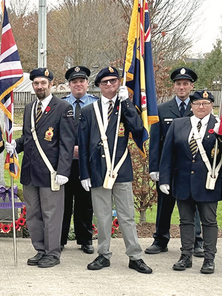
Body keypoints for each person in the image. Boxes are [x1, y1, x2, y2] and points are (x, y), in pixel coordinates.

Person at [78, 67, 151, 274]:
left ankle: (135, 256)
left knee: (127, 215)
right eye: (104, 82)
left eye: (113, 81)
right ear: (99, 86)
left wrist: (126, 102)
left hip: (121, 169)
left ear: (119, 83)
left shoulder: (124, 107)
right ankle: (103, 254)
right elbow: (83, 145)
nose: (109, 85)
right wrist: (84, 173)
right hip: (98, 170)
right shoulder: (88, 111)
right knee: (102, 216)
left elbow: (138, 129)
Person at [158, 90, 222, 274]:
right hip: (182, 181)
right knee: (185, 221)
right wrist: (164, 178)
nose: (201, 107)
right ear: (191, 106)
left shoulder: (219, 125)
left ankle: (209, 258)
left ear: (211, 106)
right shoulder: (178, 124)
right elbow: (167, 153)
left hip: (208, 181)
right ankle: (186, 256)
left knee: (209, 221)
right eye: (197, 104)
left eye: (205, 103)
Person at [12, 69, 75, 268]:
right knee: (33, 215)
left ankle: (53, 253)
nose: (40, 86)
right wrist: (16, 144)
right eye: (36, 83)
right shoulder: (30, 107)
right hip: (30, 172)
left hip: (51, 173)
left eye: (43, 83)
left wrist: (64, 172)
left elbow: (66, 143)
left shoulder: (63, 108)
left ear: (51, 84)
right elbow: (30, 138)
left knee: (51, 215)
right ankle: (40, 250)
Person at [147, 67, 205, 256]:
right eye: (178, 84)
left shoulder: (199, 109)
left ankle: (196, 241)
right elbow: (155, 141)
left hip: (192, 167)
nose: (182, 87)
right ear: (174, 87)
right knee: (165, 205)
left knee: (193, 204)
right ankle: (161, 240)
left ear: (191, 86)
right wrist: (154, 167)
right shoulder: (162, 110)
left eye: (185, 84)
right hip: (168, 168)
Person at [59, 66, 96, 255]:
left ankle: (85, 239)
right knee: (63, 203)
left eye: (81, 81)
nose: (78, 84)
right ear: (69, 85)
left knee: (85, 203)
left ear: (87, 83)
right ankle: (61, 239)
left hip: (87, 161)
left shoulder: (96, 104)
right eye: (74, 82)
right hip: (66, 162)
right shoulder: (61, 104)